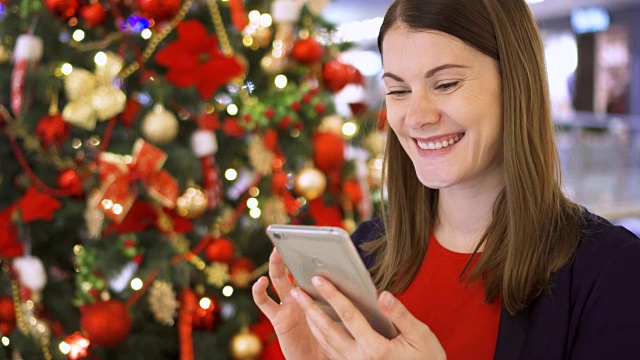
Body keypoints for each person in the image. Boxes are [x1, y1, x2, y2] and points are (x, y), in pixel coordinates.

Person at [252, 0, 640, 358]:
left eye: (446, 84)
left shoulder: (610, 272)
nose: (416, 116)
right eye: (398, 90)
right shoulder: (366, 253)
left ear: (516, 86)